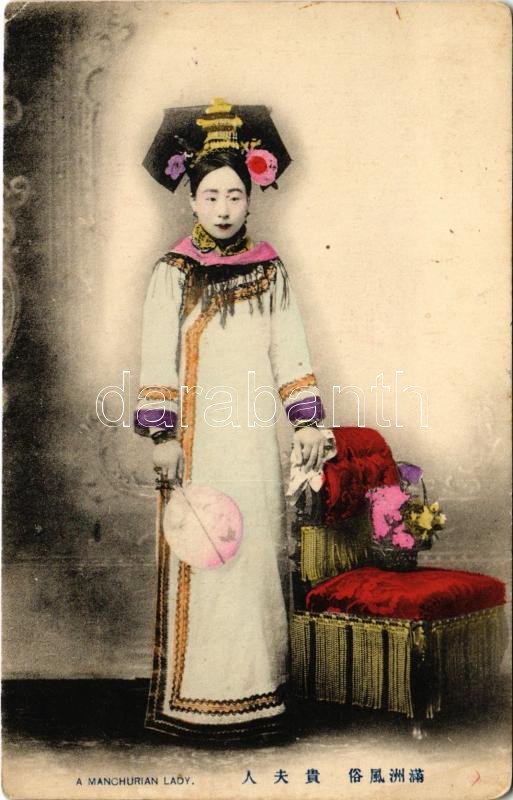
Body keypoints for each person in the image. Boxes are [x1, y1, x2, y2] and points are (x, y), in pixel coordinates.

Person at [135, 99, 329, 743]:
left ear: (251, 199)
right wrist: (163, 435)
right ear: (191, 200)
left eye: (235, 195)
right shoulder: (173, 272)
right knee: (206, 553)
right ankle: (197, 701)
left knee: (253, 560)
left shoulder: (270, 269)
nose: (223, 208)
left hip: (251, 439)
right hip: (197, 442)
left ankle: (258, 698)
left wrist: (306, 423)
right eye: (211, 195)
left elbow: (290, 349)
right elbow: (156, 354)